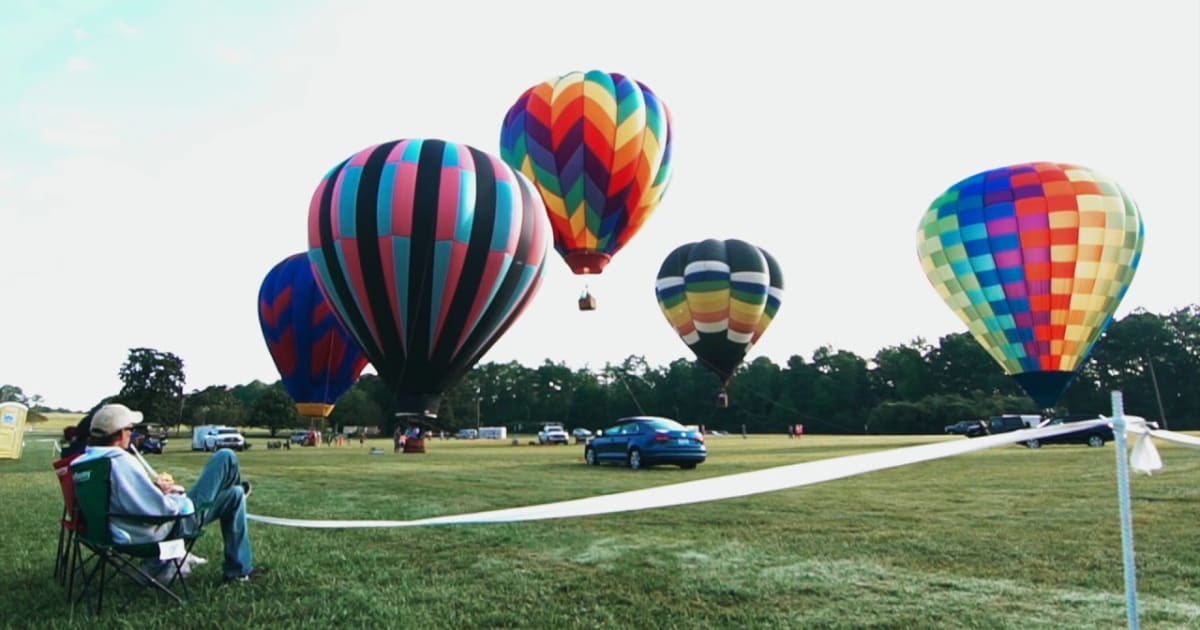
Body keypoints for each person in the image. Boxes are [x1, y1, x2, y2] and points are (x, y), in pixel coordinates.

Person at [69, 403, 267, 583]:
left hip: (120, 532)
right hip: (162, 531)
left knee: (234, 496)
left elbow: (127, 498)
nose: (133, 434)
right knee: (226, 457)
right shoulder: (120, 461)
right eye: (131, 429)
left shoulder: (85, 464)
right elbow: (158, 510)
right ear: (121, 434)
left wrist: (157, 491)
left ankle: (240, 571)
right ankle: (238, 570)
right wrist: (177, 497)